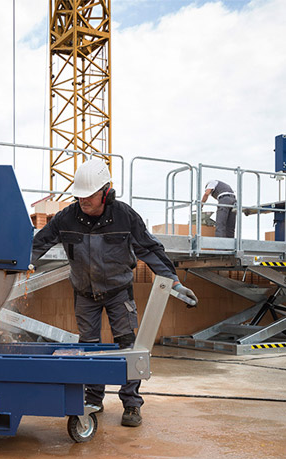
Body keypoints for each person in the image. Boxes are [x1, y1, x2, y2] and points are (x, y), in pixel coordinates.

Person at [32, 158, 198, 427]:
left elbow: (150, 249)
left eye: (89, 195)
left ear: (105, 192)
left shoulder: (125, 216)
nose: (83, 200)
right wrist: (11, 266)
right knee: (88, 348)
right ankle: (94, 399)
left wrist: (174, 282)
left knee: (128, 348)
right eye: (79, 195)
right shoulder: (67, 217)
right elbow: (38, 244)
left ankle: (131, 404)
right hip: (84, 294)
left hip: (119, 293)